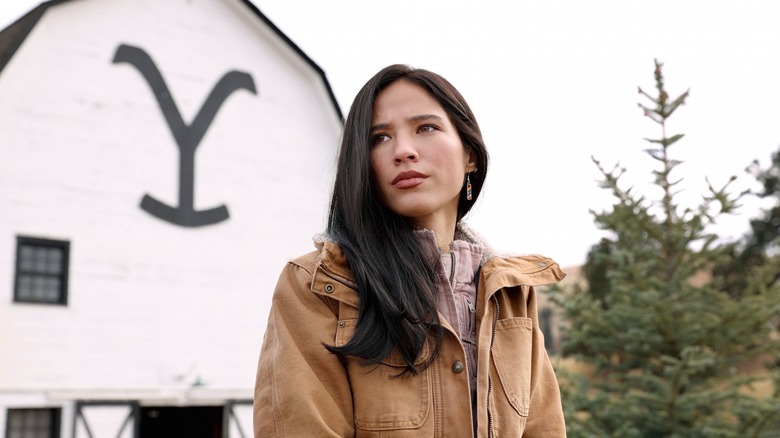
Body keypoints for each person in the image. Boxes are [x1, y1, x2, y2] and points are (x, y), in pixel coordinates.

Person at [254, 64, 566, 437]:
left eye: (426, 128)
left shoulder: (511, 294)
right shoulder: (320, 285)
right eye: (379, 138)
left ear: (469, 154)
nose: (403, 151)